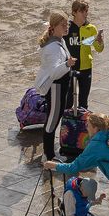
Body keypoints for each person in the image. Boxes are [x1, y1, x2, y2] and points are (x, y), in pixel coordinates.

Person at [35, 10, 77, 161]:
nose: (66, 27)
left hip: (61, 86)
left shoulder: (59, 40)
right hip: (55, 87)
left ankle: (49, 152)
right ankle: (48, 155)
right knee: (53, 120)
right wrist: (68, 64)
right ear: (53, 27)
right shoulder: (52, 47)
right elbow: (54, 73)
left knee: (55, 117)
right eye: (63, 25)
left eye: (67, 24)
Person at [65, 0, 104, 110]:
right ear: (74, 12)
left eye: (86, 11)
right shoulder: (67, 27)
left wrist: (99, 42)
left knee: (83, 101)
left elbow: (99, 49)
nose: (85, 14)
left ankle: (83, 125)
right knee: (68, 101)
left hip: (86, 67)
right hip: (70, 67)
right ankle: (66, 125)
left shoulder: (91, 28)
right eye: (82, 11)